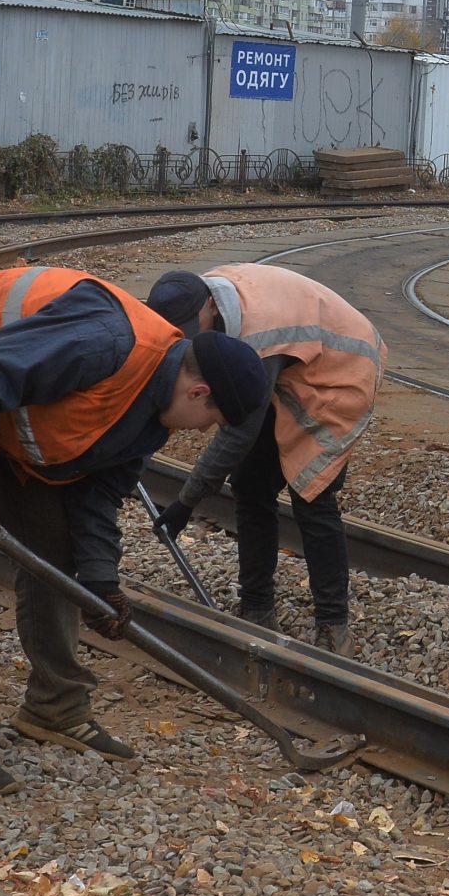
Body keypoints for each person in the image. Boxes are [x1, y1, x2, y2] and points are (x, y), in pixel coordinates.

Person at [0, 263, 271, 796]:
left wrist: (100, 581)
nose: (204, 432)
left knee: (54, 549)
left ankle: (55, 707)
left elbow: (98, 493)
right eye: (213, 422)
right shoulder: (105, 344)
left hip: (7, 399)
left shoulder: (153, 413)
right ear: (200, 393)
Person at [143, 265, 384, 654]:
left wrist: (186, 501)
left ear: (208, 304)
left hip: (338, 370)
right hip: (291, 371)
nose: (189, 336)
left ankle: (333, 624)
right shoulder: (191, 294)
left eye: (192, 326)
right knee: (251, 486)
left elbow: (238, 431)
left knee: (312, 495)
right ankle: (257, 607)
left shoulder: (257, 337)